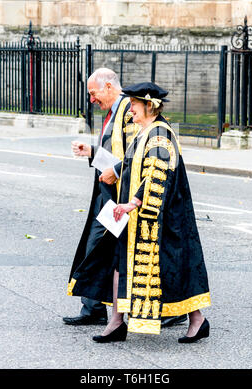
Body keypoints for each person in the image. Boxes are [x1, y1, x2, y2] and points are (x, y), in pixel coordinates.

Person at [70, 82, 211, 343]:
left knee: (173, 267)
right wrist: (112, 171)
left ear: (149, 105)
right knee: (117, 262)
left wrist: (132, 203)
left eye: (134, 105)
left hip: (162, 218)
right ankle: (115, 322)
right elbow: (132, 163)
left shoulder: (160, 135)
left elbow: (157, 175)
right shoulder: (144, 131)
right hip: (133, 215)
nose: (130, 110)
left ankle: (197, 319)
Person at [64, 68, 135, 326]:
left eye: (94, 93)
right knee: (96, 247)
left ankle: (175, 308)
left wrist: (116, 170)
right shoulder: (114, 111)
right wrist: (92, 151)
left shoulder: (129, 110)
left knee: (130, 251)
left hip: (122, 196)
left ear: (107, 87)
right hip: (107, 194)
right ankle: (93, 307)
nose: (92, 100)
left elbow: (138, 152)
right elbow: (116, 150)